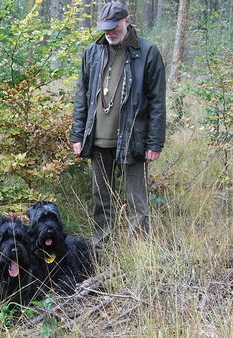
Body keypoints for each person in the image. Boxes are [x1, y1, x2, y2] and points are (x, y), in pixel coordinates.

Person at [69, 1, 166, 245]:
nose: (109, 32)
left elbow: (157, 101)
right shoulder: (92, 52)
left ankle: (140, 251)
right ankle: (102, 247)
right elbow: (82, 95)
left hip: (134, 138)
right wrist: (77, 135)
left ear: (127, 21)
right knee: (101, 197)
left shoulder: (147, 52)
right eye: (105, 28)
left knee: (137, 200)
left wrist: (154, 142)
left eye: (114, 26)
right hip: (97, 138)